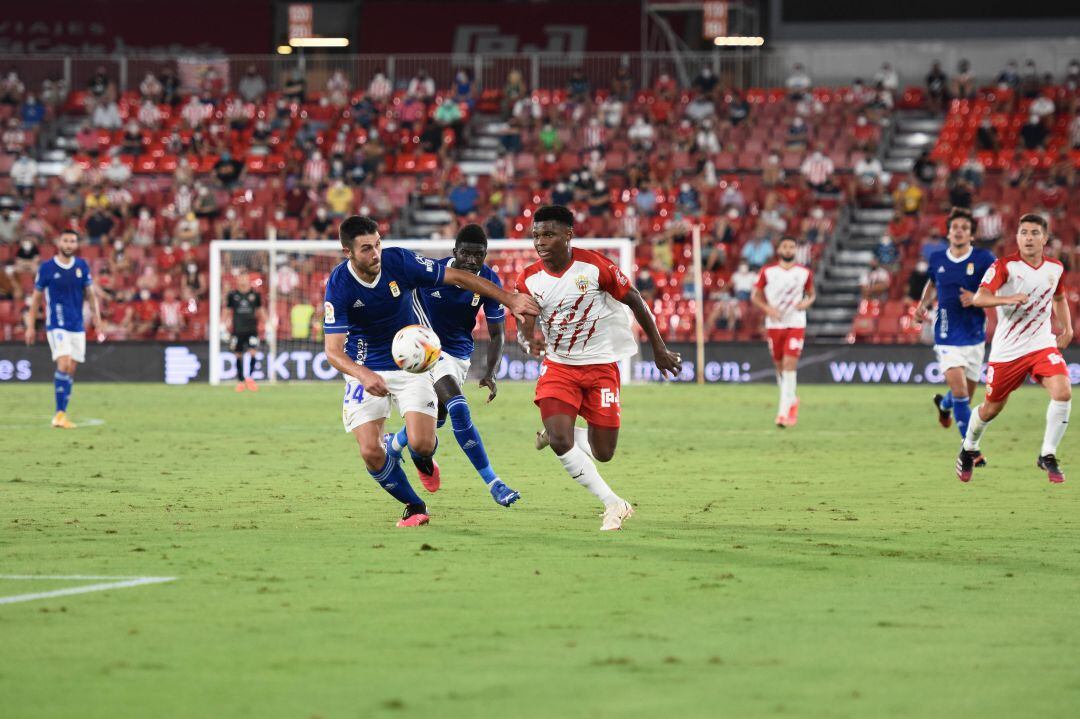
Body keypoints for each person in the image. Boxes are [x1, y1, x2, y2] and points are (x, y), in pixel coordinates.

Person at [322, 216, 538, 528]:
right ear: (348, 252)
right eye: (366, 248)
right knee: (370, 451)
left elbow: (459, 277)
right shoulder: (339, 283)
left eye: (378, 244)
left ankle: (420, 458)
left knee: (422, 444)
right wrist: (362, 374)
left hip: (411, 363)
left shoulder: (399, 261)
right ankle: (415, 505)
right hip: (365, 367)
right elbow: (332, 351)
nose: (376, 253)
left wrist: (510, 299)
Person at [519, 206, 681, 531]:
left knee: (603, 452)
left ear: (568, 235)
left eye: (548, 234)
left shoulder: (594, 266)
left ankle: (559, 434)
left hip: (601, 367)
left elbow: (634, 299)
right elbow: (525, 322)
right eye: (536, 235)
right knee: (562, 441)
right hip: (559, 367)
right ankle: (613, 503)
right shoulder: (529, 278)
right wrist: (528, 341)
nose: (540, 241)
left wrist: (659, 347)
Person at [386, 225, 520, 507]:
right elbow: (401, 294)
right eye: (466, 254)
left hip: (459, 355)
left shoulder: (488, 279)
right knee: (459, 407)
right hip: (427, 350)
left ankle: (395, 445)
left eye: (478, 255)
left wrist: (491, 372)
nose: (472, 260)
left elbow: (497, 334)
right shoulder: (433, 273)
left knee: (437, 419)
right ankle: (494, 483)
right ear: (454, 252)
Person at [956, 214, 1072, 483]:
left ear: (1045, 238)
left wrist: (1067, 329)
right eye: (1023, 233)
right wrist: (1008, 299)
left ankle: (1047, 454)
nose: (1028, 238)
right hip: (1008, 351)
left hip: (1041, 344)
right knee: (991, 409)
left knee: (1063, 391)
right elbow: (979, 298)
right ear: (1017, 238)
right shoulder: (1004, 266)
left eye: (1034, 233)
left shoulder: (1055, 268)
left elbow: (1059, 298)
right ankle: (968, 447)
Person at [914, 209, 996, 454]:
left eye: (964, 228)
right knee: (961, 393)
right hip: (946, 332)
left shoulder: (984, 258)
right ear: (948, 233)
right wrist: (923, 304)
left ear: (971, 235)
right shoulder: (937, 258)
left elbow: (998, 285)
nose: (959, 231)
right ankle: (970, 449)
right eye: (955, 227)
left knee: (964, 397)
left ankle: (944, 405)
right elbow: (932, 283)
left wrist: (977, 297)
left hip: (974, 334)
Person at [23, 230, 102, 429]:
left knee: (71, 369)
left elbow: (91, 294)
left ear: (76, 244)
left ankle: (62, 415)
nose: (69, 244)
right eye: (65, 240)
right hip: (57, 324)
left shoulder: (82, 266)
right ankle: (58, 414)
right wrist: (30, 326)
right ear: (59, 243)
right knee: (64, 362)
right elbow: (36, 299)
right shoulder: (47, 268)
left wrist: (97, 319)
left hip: (77, 325)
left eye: (72, 241)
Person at [751, 236, 815, 428]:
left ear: (796, 250)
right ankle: (792, 400)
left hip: (796, 322)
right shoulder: (768, 272)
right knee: (779, 367)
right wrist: (768, 309)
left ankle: (783, 413)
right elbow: (755, 296)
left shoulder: (804, 273)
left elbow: (811, 294)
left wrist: (806, 303)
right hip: (775, 324)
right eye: (785, 246)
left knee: (789, 364)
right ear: (779, 250)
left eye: (791, 247)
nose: (788, 250)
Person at [225, 273, 265, 392]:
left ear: (248, 280)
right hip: (237, 330)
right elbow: (227, 310)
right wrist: (222, 324)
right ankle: (241, 381)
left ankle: (250, 379)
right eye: (241, 278)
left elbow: (260, 310)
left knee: (253, 352)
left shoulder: (255, 295)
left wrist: (267, 323)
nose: (243, 281)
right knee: (238, 354)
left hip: (252, 329)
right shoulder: (232, 295)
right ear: (237, 280)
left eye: (245, 278)